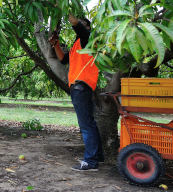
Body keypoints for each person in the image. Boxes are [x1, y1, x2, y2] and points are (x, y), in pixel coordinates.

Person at [48, 14, 104, 171]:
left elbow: (76, 24)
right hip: (79, 87)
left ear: (86, 27)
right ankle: (97, 156)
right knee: (89, 123)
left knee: (86, 125)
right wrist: (55, 45)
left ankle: (91, 162)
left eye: (81, 25)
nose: (77, 27)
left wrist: (63, 9)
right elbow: (64, 60)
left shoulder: (88, 39)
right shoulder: (78, 44)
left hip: (81, 87)